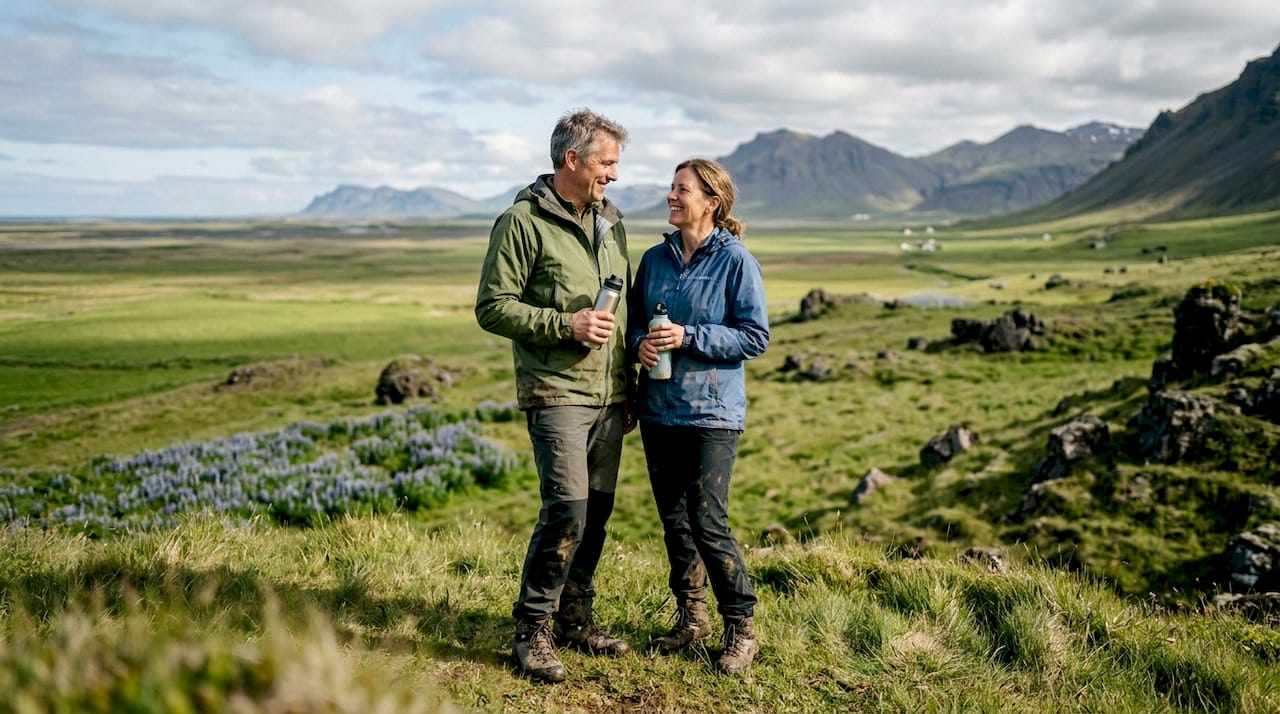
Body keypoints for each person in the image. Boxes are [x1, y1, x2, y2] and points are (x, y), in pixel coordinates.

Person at [475, 108, 634, 683]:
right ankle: (532, 630)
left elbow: (626, 307)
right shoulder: (520, 223)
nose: (614, 175)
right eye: (607, 163)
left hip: (610, 395)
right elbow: (493, 307)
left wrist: (630, 388)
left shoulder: (612, 222)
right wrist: (565, 325)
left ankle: (575, 618)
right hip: (556, 390)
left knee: (596, 512)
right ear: (573, 159)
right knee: (566, 507)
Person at [626, 158, 769, 674]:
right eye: (671, 187)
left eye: (681, 189)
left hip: (712, 412)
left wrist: (690, 336)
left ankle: (741, 627)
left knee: (709, 519)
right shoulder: (653, 259)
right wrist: (640, 344)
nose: (671, 196)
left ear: (711, 202)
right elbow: (635, 325)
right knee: (674, 521)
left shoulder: (735, 261)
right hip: (659, 408)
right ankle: (692, 616)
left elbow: (755, 336)